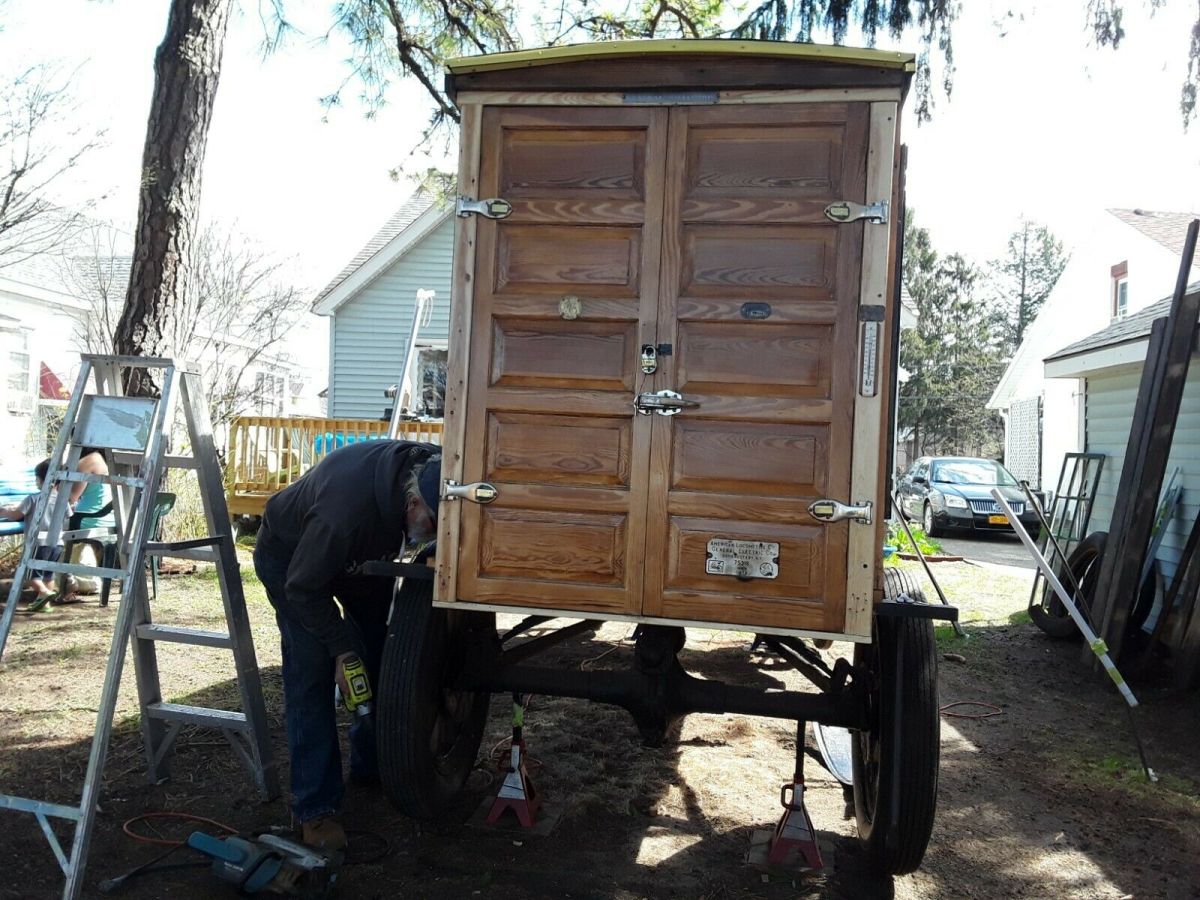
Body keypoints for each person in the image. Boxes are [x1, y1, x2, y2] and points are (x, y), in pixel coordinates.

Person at [252, 439, 442, 852]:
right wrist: (340, 648)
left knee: (377, 653)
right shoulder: (343, 513)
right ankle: (314, 808)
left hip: (360, 557)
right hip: (293, 561)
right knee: (312, 669)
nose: (432, 534)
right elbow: (302, 587)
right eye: (432, 524)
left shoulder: (432, 469)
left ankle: (372, 764)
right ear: (411, 505)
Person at [1, 459, 62, 607]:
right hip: (57, 543)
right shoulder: (62, 500)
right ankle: (44, 604)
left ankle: (45, 593)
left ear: (41, 480)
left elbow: (16, 515)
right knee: (48, 575)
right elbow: (69, 514)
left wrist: (3, 511)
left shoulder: (33, 498)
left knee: (29, 575)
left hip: (38, 543)